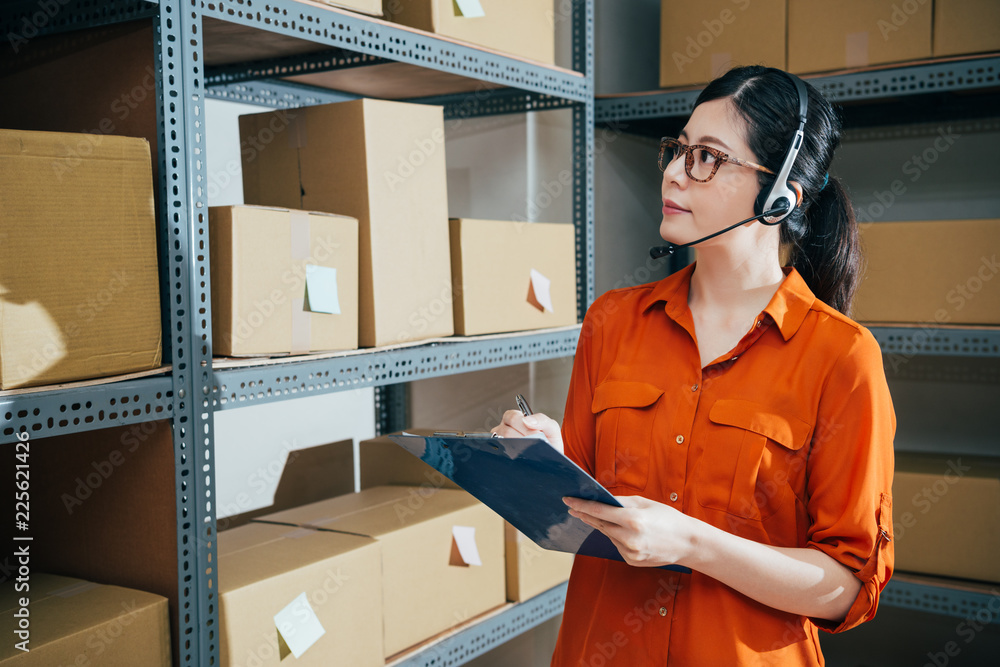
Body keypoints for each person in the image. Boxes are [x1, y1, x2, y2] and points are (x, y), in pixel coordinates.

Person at [491, 65, 896, 666]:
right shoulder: (613, 320)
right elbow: (579, 511)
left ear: (782, 195)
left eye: (708, 157)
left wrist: (693, 543)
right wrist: (542, 459)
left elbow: (844, 589)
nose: (675, 172)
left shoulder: (840, 356)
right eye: (677, 150)